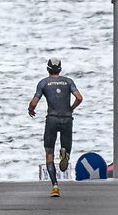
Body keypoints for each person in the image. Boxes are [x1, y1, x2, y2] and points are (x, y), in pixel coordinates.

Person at [28, 57, 82, 198]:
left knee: (49, 152)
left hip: (52, 119)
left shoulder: (43, 83)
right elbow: (79, 98)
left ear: (48, 69)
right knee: (66, 149)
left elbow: (34, 103)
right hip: (67, 118)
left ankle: (55, 186)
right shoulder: (68, 82)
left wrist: (30, 110)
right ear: (60, 69)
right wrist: (71, 108)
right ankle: (65, 153)